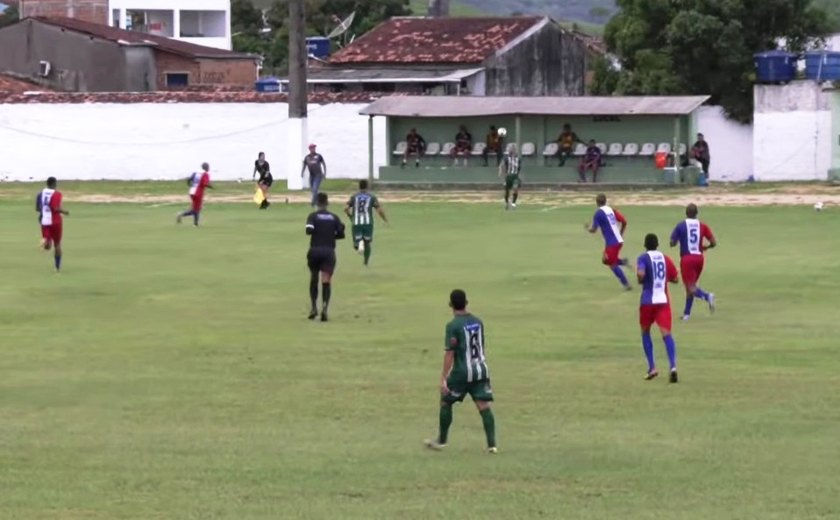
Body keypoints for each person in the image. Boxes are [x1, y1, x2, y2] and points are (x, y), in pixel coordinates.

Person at [425, 289, 497, 454]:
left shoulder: (453, 326)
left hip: (462, 372)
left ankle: (442, 441)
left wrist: (443, 378)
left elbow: (450, 353)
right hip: (481, 370)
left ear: (451, 305)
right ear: (466, 302)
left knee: (446, 400)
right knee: (484, 405)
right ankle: (492, 445)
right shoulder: (478, 322)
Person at [637, 233, 680, 383]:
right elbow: (675, 279)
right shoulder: (665, 258)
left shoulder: (643, 258)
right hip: (663, 300)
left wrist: (640, 278)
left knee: (645, 332)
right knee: (666, 335)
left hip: (648, 301)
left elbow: (641, 274)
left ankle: (652, 367)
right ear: (657, 245)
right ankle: (673, 366)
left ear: (645, 245)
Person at [670, 203, 717, 320]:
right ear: (696, 214)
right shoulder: (702, 226)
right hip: (699, 259)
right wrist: (706, 247)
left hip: (687, 259)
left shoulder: (681, 226)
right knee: (691, 287)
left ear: (686, 213)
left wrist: (677, 241)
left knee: (690, 287)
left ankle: (707, 296)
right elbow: (714, 242)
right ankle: (686, 314)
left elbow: (672, 242)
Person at [305, 193, 346, 322]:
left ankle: (313, 308)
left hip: (315, 250)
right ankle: (324, 308)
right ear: (327, 203)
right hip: (328, 251)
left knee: (314, 277)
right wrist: (330, 233)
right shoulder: (334, 217)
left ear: (317, 203)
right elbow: (341, 234)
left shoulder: (313, 216)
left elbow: (309, 231)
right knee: (326, 280)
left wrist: (319, 231)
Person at [586, 193, 632, 290]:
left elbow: (594, 230)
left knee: (612, 264)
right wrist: (621, 233)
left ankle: (626, 284)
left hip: (612, 243)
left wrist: (588, 229)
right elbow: (624, 221)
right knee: (605, 260)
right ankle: (623, 262)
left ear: (597, 203)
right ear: (605, 201)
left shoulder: (598, 213)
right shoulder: (611, 210)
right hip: (617, 241)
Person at [345, 180, 388, 266]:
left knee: (356, 245)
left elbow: (346, 208)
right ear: (367, 187)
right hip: (368, 223)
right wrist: (385, 220)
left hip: (356, 222)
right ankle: (366, 262)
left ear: (359, 187)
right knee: (367, 242)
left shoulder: (354, 196)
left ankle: (359, 242)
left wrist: (350, 216)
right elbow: (379, 210)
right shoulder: (371, 197)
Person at [36, 177, 69, 272]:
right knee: (57, 244)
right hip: (55, 221)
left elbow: (38, 208)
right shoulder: (57, 194)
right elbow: (55, 208)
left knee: (48, 246)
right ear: (54, 184)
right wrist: (64, 211)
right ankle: (57, 268)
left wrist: (44, 212)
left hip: (44, 221)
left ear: (47, 184)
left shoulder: (40, 194)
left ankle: (45, 241)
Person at [498, 143, 522, 210]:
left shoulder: (518, 159)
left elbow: (518, 168)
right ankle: (506, 203)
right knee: (507, 191)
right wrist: (501, 172)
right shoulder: (506, 158)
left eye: (513, 148)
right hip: (508, 176)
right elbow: (502, 165)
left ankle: (513, 203)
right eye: (511, 148)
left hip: (515, 176)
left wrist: (519, 176)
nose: (512, 150)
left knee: (515, 188)